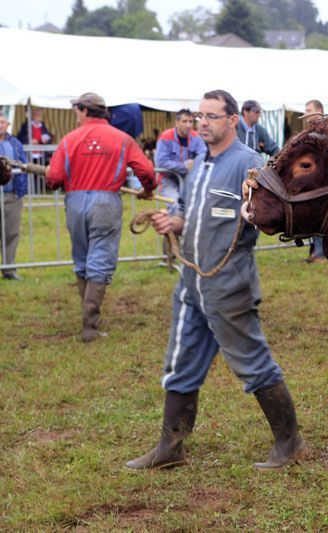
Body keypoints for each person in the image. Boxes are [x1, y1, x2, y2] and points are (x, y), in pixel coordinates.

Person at [125, 89, 305, 472]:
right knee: (181, 362)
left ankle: (289, 443)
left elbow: (273, 218)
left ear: (232, 120)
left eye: (211, 116)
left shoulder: (251, 165)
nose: (202, 123)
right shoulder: (199, 165)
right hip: (191, 283)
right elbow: (186, 212)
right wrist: (170, 221)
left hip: (229, 285)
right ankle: (170, 447)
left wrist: (255, 208)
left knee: (253, 364)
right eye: (200, 116)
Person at [46, 92, 156, 342]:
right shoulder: (122, 138)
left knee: (82, 259)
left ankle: (90, 323)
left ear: (84, 111)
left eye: (76, 109)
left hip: (75, 201)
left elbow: (52, 178)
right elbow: (147, 170)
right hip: (106, 201)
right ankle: (90, 327)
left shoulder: (68, 140)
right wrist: (148, 190)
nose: (75, 114)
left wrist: (61, 182)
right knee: (100, 259)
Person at [155, 109, 207, 266]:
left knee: (193, 211)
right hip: (169, 180)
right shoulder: (166, 137)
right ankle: (172, 255)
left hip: (189, 180)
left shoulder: (196, 137)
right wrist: (183, 167)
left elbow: (204, 154)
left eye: (191, 121)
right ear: (176, 123)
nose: (188, 125)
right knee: (175, 209)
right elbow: (161, 161)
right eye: (184, 121)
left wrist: (194, 164)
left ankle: (182, 254)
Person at [0, 112, 28, 281]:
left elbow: (22, 164)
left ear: (8, 124)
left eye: (3, 121)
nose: (0, 125)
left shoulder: (15, 143)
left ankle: (9, 269)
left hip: (12, 195)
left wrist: (21, 189)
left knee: (12, 232)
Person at [303, 99, 327, 264]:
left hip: (323, 182)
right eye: (305, 110)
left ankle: (320, 253)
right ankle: (315, 251)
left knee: (319, 218)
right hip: (311, 181)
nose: (305, 114)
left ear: (319, 111)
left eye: (308, 110)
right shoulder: (310, 131)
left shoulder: (325, 131)